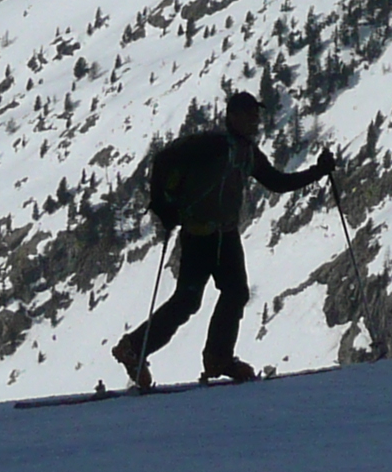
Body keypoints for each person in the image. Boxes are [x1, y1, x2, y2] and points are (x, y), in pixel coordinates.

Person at [115, 91, 333, 386]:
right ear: (233, 116)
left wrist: (318, 172)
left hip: (211, 234)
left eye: (256, 116)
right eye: (250, 115)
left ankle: (140, 349)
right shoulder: (217, 146)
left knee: (208, 297)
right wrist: (164, 207)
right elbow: (277, 182)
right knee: (207, 297)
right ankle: (211, 356)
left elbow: (277, 182)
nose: (256, 121)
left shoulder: (242, 151)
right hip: (208, 235)